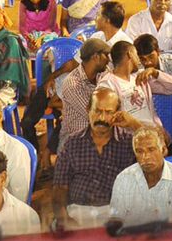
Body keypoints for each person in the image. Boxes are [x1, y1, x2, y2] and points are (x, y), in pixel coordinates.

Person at [44, 89, 137, 226]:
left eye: (109, 112)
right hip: (77, 212)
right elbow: (59, 188)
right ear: (88, 110)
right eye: (97, 111)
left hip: (114, 213)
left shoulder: (129, 142)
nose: (102, 118)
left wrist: (133, 124)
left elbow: (161, 150)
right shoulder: (72, 143)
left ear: (118, 113)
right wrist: (64, 219)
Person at [109, 125, 172, 231]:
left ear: (163, 151)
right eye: (139, 151)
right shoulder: (123, 179)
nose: (145, 156)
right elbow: (116, 225)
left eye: (151, 149)